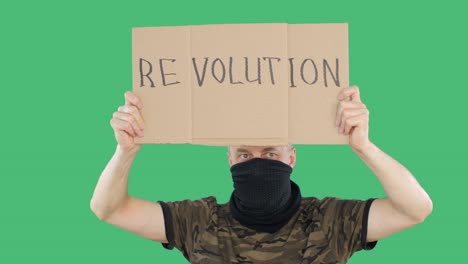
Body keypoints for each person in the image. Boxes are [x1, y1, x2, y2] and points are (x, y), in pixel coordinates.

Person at [90, 85, 433, 264]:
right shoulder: (198, 221)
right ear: (229, 159)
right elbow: (109, 209)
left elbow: (416, 209)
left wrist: (364, 147)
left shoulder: (330, 221)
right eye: (244, 154)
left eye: (270, 153)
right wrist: (126, 151)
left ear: (291, 157)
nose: (257, 163)